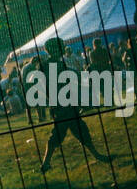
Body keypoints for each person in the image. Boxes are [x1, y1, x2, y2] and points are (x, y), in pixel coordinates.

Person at [38, 37, 114, 173]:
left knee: (73, 130)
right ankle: (45, 163)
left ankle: (46, 163)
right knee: (61, 133)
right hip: (63, 104)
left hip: (64, 103)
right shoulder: (52, 66)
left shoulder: (48, 65)